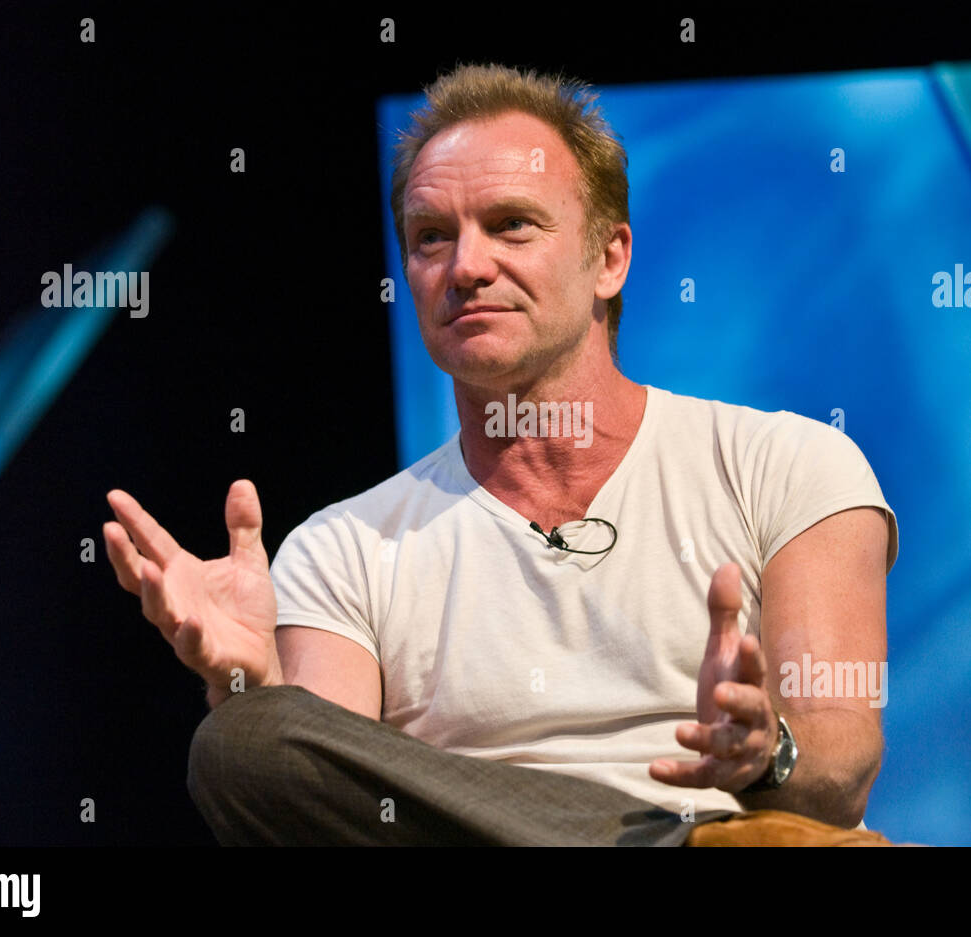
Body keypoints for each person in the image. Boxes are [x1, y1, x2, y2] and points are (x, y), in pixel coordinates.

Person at [103, 63, 900, 846]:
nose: (466, 267)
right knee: (239, 742)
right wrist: (250, 686)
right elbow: (320, 802)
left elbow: (842, 766)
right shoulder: (343, 548)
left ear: (609, 258)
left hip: (752, 833)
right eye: (431, 237)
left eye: (512, 224)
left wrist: (764, 755)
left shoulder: (791, 463)